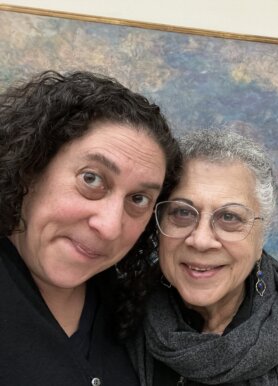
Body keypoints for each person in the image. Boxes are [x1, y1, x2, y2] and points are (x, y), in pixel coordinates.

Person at [0, 70, 181, 385]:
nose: (110, 227)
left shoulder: (131, 311)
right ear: (31, 166)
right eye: (91, 179)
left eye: (138, 199)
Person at [129, 129, 278, 386]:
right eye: (183, 213)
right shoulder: (121, 324)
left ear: (261, 237)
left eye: (229, 217)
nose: (201, 240)